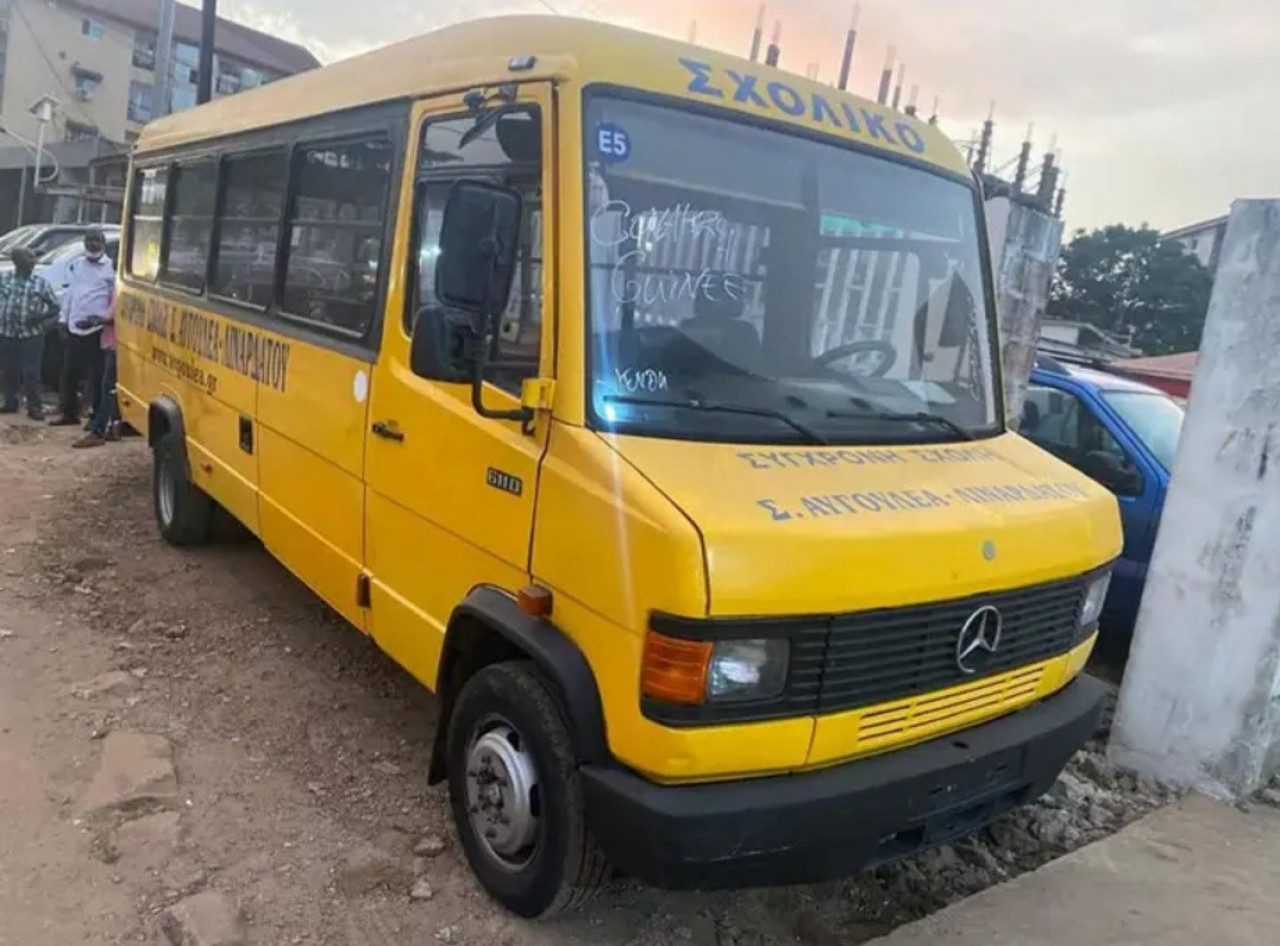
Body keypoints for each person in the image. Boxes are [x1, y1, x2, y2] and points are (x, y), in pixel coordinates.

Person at [52, 229, 114, 427]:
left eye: (96, 240)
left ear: (103, 243)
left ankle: (95, 416)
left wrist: (101, 320)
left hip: (96, 329)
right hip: (74, 326)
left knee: (95, 377)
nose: (93, 244)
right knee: (69, 373)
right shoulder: (77, 265)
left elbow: (115, 301)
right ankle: (69, 413)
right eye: (89, 240)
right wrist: (64, 319)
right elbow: (71, 294)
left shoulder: (111, 269)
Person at [0, 247, 60, 420]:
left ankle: (34, 407)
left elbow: (55, 307)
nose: (33, 261)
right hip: (7, 332)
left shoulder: (40, 283)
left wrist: (41, 318)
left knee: (31, 372)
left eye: (34, 258)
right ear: (16, 260)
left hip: (32, 335)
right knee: (8, 370)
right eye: (29, 257)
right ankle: (11, 403)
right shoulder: (4, 279)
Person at [73, 295, 117, 448]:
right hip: (112, 342)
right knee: (111, 389)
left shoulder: (122, 285)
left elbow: (115, 316)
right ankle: (113, 428)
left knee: (108, 388)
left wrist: (94, 321)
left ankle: (98, 431)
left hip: (116, 343)